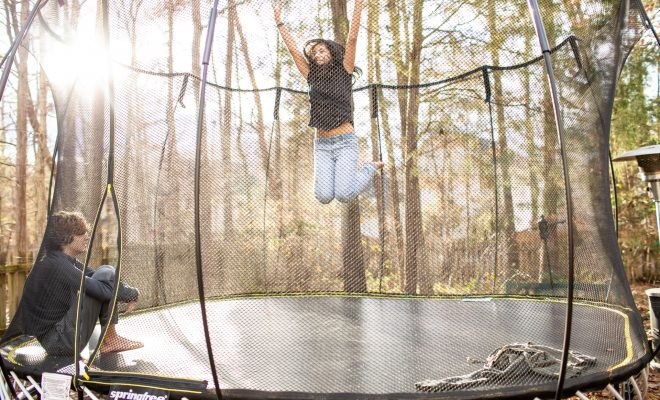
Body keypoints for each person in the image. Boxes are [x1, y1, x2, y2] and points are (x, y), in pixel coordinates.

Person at [273, 0, 384, 204]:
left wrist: (358, 5)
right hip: (322, 145)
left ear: (331, 53)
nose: (317, 54)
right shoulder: (310, 76)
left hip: (345, 142)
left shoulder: (345, 70)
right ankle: (364, 170)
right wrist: (279, 22)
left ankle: (369, 167)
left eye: (322, 50)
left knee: (344, 194)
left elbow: (352, 39)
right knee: (324, 197)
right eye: (314, 53)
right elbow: (294, 51)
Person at [3, 211, 142, 357]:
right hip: (58, 342)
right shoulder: (55, 264)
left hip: (61, 335)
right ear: (66, 237)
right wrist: (130, 295)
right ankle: (111, 339)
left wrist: (130, 292)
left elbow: (103, 278)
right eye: (81, 233)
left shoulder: (62, 261)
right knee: (103, 277)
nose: (87, 237)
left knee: (105, 271)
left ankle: (111, 339)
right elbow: (98, 288)